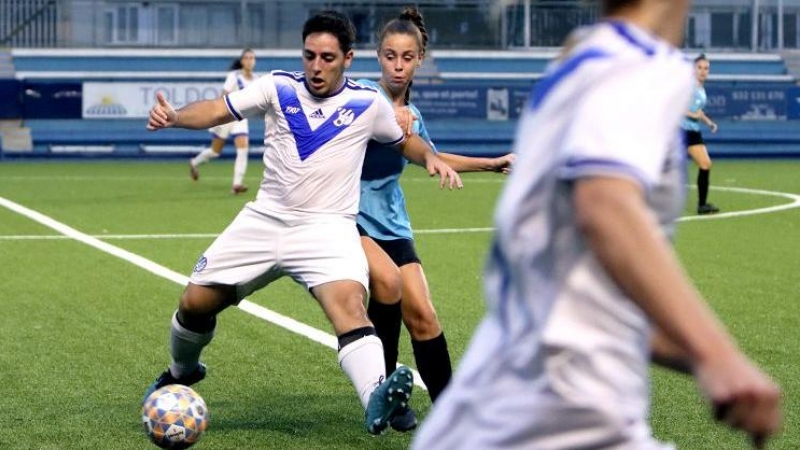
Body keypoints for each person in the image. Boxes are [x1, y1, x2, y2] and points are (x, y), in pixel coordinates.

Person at [413, 1, 782, 449]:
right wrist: (718, 354)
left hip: (491, 406)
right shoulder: (642, 65)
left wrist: (700, 360)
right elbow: (605, 206)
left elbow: (578, 294)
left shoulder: (579, 62)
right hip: (566, 411)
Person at [144, 10, 463, 435]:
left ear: (348, 58)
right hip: (264, 220)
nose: (316, 66)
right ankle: (182, 371)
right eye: (310, 55)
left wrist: (432, 158)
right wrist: (177, 117)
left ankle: (375, 399)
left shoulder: (368, 104)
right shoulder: (277, 87)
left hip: (327, 229)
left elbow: (406, 143)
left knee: (349, 307)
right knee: (193, 304)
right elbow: (219, 111)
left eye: (327, 58)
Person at [355, 6, 514, 432]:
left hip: (392, 223)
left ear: (419, 60)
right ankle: (384, 392)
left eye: (407, 57)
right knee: (387, 284)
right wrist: (391, 120)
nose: (398, 65)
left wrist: (491, 164)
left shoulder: (415, 116)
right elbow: (372, 128)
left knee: (423, 313)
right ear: (378, 56)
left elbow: (432, 156)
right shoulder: (359, 99)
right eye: (390, 55)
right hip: (350, 220)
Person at [188, 48, 257, 195]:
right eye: (247, 58)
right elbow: (224, 95)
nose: (250, 60)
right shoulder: (234, 76)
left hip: (240, 118)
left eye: (252, 58)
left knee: (243, 149)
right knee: (215, 151)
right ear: (242, 61)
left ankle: (237, 184)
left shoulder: (256, 80)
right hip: (227, 116)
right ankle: (194, 162)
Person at [683, 53, 720, 214]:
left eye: (706, 68)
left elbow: (697, 111)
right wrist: (693, 116)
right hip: (680, 131)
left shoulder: (700, 88)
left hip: (693, 131)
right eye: (699, 68)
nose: (703, 71)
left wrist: (708, 122)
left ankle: (702, 205)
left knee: (705, 164)